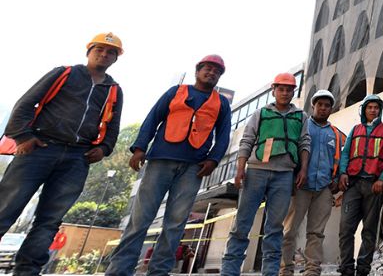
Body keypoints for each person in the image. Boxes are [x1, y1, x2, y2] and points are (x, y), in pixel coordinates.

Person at [0, 32, 124, 276]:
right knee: (6, 207)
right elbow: (25, 104)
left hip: (77, 159)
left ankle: (27, 271)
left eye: (111, 52)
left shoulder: (114, 90)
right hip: (39, 148)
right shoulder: (64, 73)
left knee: (50, 219)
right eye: (99, 49)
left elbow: (113, 127)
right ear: (88, 51)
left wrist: (104, 148)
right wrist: (23, 137)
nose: (104, 54)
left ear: (116, 58)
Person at [105, 55, 231, 276]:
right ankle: (119, 271)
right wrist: (139, 147)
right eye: (208, 69)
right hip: (160, 160)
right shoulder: (176, 92)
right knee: (140, 219)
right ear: (198, 70)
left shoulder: (221, 103)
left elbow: (223, 135)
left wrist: (213, 160)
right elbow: (153, 118)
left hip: (193, 167)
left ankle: (160, 271)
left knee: (175, 224)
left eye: (216, 71)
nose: (211, 73)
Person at [220, 73, 309, 276]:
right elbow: (247, 140)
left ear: (293, 91)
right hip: (256, 172)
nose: (285, 93)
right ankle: (229, 271)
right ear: (274, 90)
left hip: (285, 175)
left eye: (289, 89)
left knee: (275, 227)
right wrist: (240, 169)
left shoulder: (301, 117)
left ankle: (270, 272)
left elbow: (305, 143)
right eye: (281, 89)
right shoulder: (261, 113)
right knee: (242, 223)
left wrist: (303, 169)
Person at [281, 89, 346, 276]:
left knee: (316, 233)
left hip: (324, 189)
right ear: (313, 106)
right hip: (300, 186)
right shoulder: (303, 126)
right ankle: (285, 269)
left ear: (331, 109)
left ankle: (312, 270)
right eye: (320, 105)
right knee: (289, 230)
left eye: (327, 106)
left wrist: (337, 178)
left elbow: (342, 158)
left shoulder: (336, 134)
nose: (323, 108)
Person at [337, 94, 383, 276]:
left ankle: (363, 269)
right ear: (364, 110)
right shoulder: (355, 130)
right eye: (369, 107)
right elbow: (346, 153)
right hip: (353, 185)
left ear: (380, 110)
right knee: (346, 229)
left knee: (370, 230)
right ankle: (346, 268)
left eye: (376, 107)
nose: (373, 110)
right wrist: (342, 173)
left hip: (374, 186)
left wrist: (382, 179)